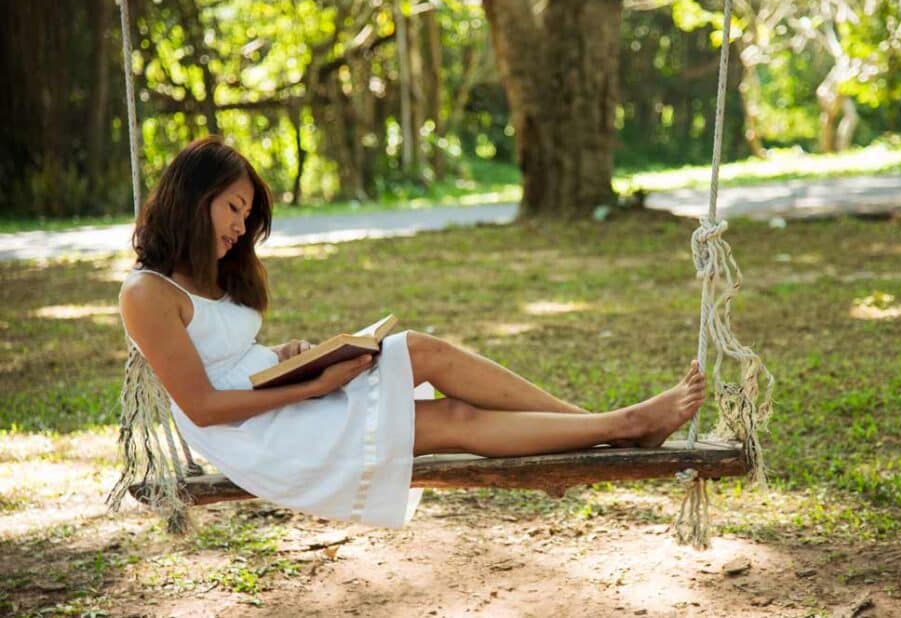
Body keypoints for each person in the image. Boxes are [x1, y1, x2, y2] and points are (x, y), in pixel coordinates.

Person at [118, 135, 706, 529]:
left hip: (278, 400)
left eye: (247, 216)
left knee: (436, 384)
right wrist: (312, 388)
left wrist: (292, 356)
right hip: (257, 434)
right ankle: (620, 428)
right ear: (196, 199)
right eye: (235, 209)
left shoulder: (214, 273)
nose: (242, 228)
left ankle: (596, 433)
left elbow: (229, 352)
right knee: (435, 387)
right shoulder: (146, 293)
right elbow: (204, 404)